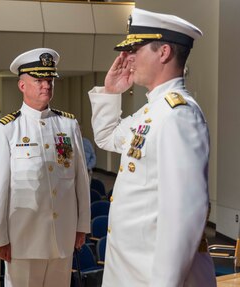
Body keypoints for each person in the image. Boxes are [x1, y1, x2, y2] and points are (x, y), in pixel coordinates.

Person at [88, 8, 216, 287]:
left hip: (152, 277)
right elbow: (107, 137)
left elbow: (183, 217)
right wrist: (111, 93)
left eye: (136, 48)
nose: (127, 57)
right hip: (130, 272)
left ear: (164, 52)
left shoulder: (178, 115)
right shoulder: (153, 111)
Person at [0, 48, 90, 287]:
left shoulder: (68, 124)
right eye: (39, 80)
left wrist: (82, 225)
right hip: (23, 239)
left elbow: (80, 179)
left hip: (62, 236)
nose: (46, 85)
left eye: (50, 80)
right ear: (22, 85)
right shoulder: (7, 129)